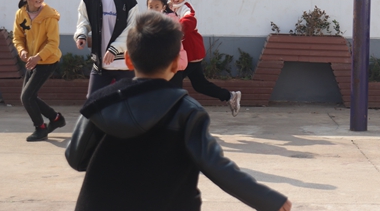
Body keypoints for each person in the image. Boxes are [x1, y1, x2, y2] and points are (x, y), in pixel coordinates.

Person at [65, 12, 292, 211]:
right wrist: (268, 200)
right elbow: (216, 166)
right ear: (176, 63)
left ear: (128, 59)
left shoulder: (99, 102)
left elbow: (75, 158)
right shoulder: (186, 111)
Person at [168, 0, 242, 116]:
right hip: (182, 55)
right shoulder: (168, 8)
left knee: (173, 81)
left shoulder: (186, 9)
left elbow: (190, 20)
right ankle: (230, 96)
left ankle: (177, 113)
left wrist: (176, 28)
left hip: (191, 54)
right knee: (199, 85)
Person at [73, 0, 139, 96]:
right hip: (100, 64)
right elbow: (83, 19)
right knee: (92, 101)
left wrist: (115, 48)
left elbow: (132, 29)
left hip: (124, 64)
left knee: (129, 102)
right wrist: (81, 35)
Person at [13, 0, 65, 142]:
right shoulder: (20, 14)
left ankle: (40, 128)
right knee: (29, 96)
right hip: (32, 61)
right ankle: (56, 119)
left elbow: (53, 43)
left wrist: (38, 57)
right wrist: (22, 50)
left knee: (27, 97)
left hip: (47, 60)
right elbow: (18, 37)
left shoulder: (49, 16)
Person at [147, 0, 188, 71]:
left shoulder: (168, 21)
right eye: (151, 7)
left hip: (173, 62)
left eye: (157, 7)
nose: (153, 10)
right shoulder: (150, 22)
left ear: (163, 7)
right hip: (165, 64)